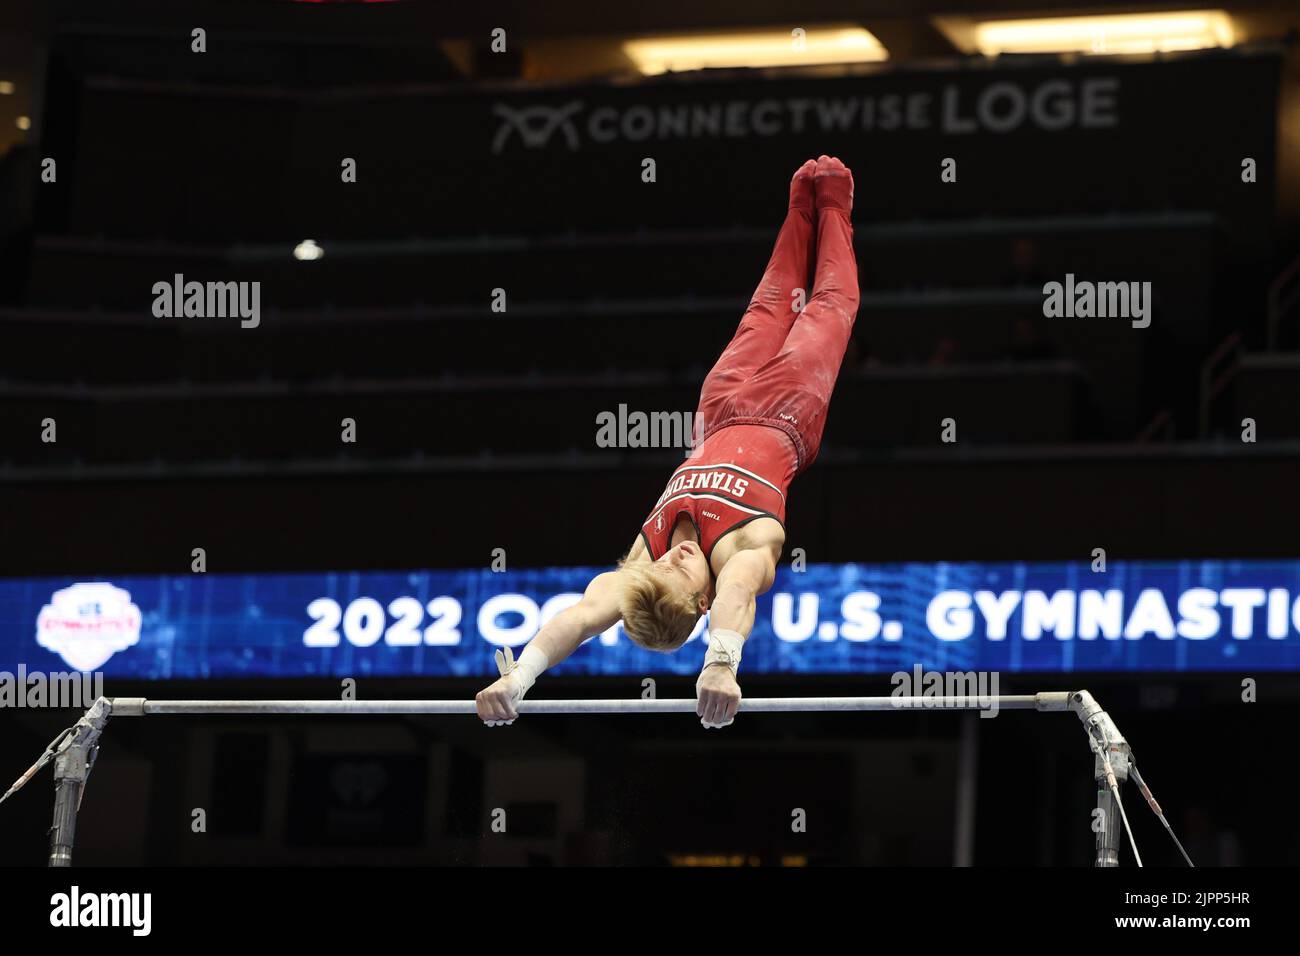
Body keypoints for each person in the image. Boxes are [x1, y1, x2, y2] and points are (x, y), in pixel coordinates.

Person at [476, 156, 859, 729]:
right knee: (828, 308)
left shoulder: (643, 565)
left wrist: (519, 676)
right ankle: (834, 209)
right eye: (681, 574)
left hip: (718, 411)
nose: (676, 558)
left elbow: (582, 618)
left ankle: (800, 210)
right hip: (786, 414)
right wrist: (720, 665)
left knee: (770, 304)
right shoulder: (741, 553)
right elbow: (739, 598)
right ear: (702, 604)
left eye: (659, 570)